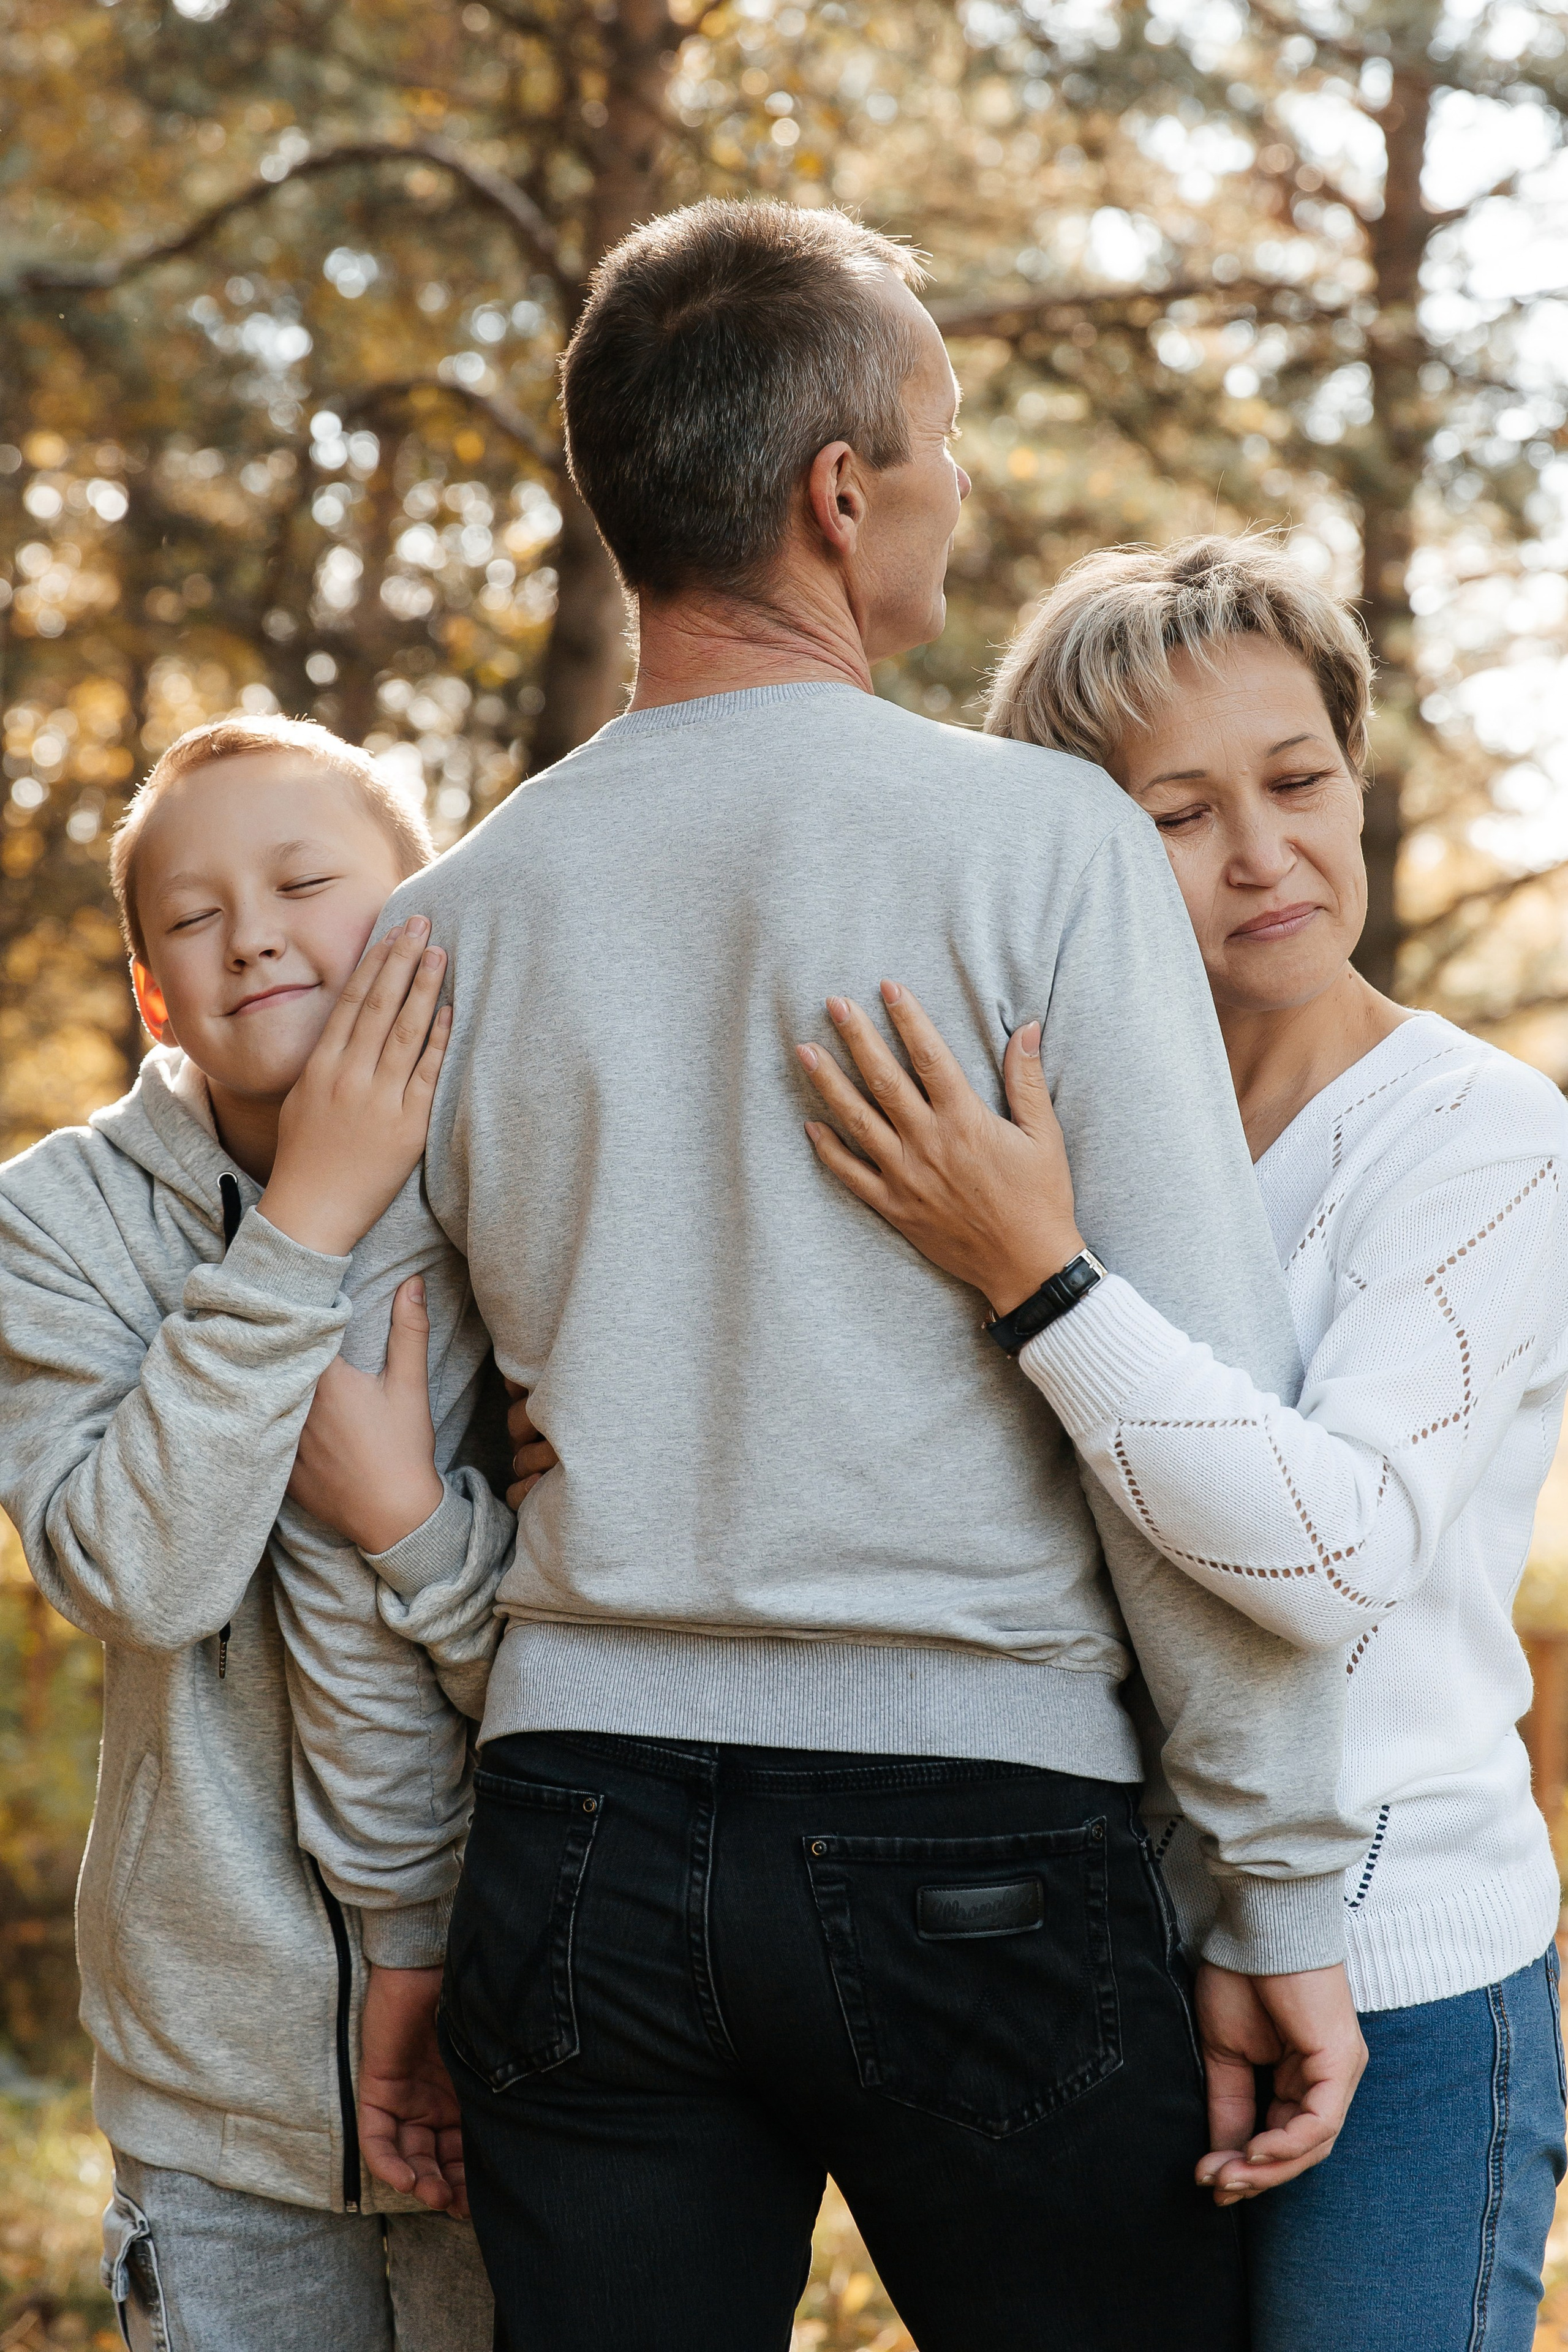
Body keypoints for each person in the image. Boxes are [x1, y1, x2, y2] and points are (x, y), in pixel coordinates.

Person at [266, 202, 1378, 2352]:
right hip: (987, 1836)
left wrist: (413, 1917)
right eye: (940, 439)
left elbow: (351, 1448)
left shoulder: (453, 923)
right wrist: (1278, 1891)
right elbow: (1195, 1432)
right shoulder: (1044, 849)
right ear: (839, 490)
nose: (952, 493)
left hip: (573, 1840)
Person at [796, 534, 1568, 2351]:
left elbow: (1337, 1553)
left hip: (1411, 1986)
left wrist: (1042, 1283)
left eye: (1298, 782)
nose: (1263, 855)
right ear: (1080, 848)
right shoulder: (1028, 1138)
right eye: (1177, 812)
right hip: (1081, 1964)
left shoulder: (1480, 1137)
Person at [0, 715, 499, 2352]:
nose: (254, 932)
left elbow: (609, 1606)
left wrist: (417, 1533)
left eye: (301, 882)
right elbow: (142, 1576)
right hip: (221, 2091)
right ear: (153, 990)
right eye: (195, 919)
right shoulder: (53, 1222)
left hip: (520, 2044)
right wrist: (305, 1228)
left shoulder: (521, 1178)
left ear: (421, 913)